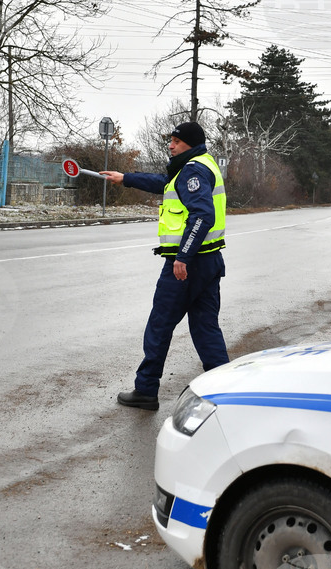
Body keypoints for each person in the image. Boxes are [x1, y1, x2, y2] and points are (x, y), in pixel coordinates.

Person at [101, 122, 229, 411]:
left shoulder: (193, 169)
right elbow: (165, 184)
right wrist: (126, 178)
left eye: (175, 141)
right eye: (170, 140)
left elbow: (201, 216)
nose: (170, 145)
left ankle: (145, 390)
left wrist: (183, 256)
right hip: (209, 260)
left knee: (159, 325)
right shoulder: (199, 164)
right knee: (206, 327)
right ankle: (225, 390)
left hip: (189, 264)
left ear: (190, 143)